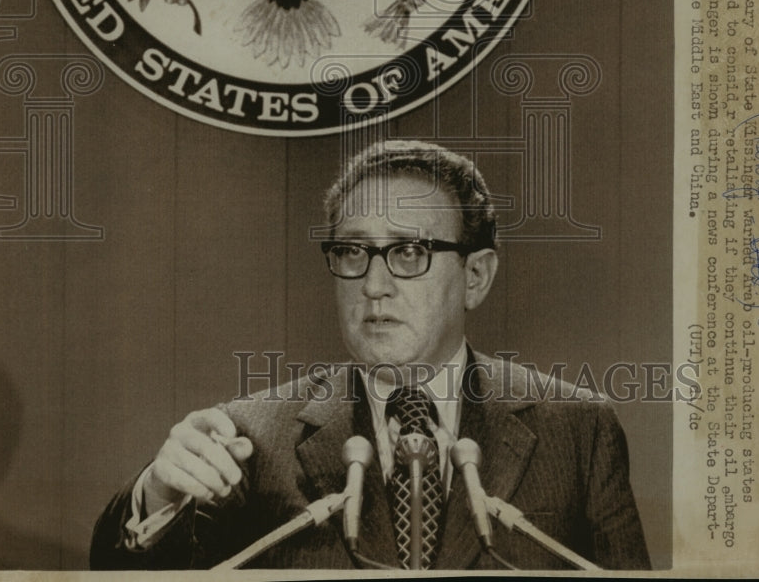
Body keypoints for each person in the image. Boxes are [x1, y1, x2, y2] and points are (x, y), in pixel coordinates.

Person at [90, 140, 651, 570]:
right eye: (353, 251)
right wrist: (157, 494)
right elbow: (122, 576)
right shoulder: (250, 437)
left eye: (409, 251)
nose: (374, 284)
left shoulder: (578, 431)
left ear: (475, 276)